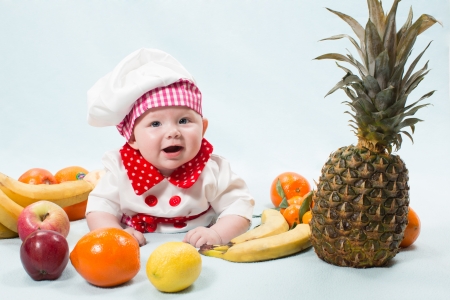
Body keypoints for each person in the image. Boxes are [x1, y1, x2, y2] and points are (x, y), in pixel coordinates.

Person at [85, 48, 255, 247]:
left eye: (184, 120)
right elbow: (99, 207)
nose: (173, 132)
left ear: (203, 128)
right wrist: (114, 234)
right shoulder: (121, 170)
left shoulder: (211, 169)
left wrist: (217, 234)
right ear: (132, 138)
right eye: (155, 124)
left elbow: (239, 206)